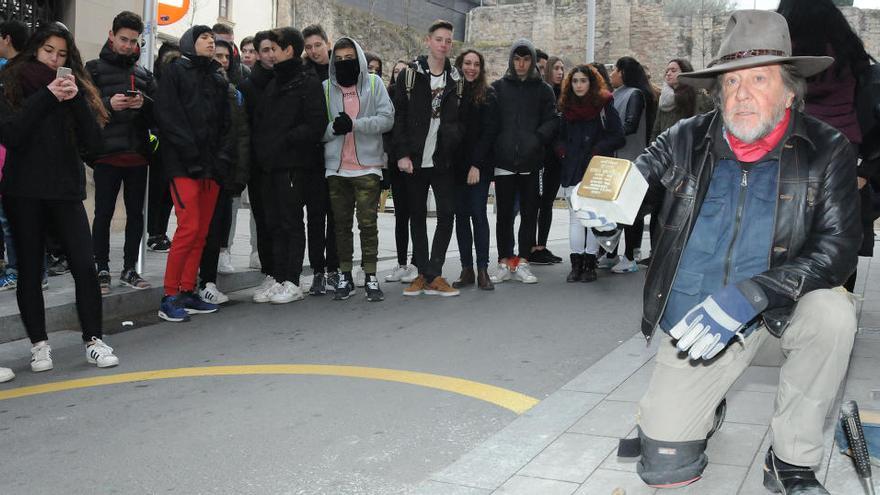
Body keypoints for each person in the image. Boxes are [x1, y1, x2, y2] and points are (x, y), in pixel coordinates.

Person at [580, 11, 858, 494]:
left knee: (834, 313)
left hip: (778, 313)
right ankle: (703, 408)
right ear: (717, 90)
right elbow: (641, 176)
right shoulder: (684, 137)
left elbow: (838, 249)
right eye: (731, 82)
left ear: (790, 91)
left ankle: (791, 459)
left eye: (759, 78)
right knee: (665, 467)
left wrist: (752, 295)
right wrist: (609, 209)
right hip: (698, 324)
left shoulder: (827, 149)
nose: (742, 93)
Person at [0, 23, 119, 372]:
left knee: (85, 265)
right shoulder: (13, 82)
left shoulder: (75, 86)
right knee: (30, 270)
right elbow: (12, 133)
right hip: (24, 191)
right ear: (36, 48)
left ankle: (94, 340)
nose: (54, 59)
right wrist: (48, 96)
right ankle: (39, 345)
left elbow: (95, 146)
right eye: (49, 50)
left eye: (62, 54)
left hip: (66, 191)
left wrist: (77, 100)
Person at [778, 0, 874, 293]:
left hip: (790, 154)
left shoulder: (782, 52)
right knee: (839, 241)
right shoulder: (849, 52)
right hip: (846, 159)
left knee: (786, 240)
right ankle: (836, 307)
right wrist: (866, 170)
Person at [155, 25, 229, 322]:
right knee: (188, 228)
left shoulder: (216, 77)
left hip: (211, 167)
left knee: (201, 231)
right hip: (183, 164)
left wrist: (222, 157)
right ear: (189, 42)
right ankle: (169, 295)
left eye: (213, 38)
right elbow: (168, 117)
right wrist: (191, 155)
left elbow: (226, 123)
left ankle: (188, 290)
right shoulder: (175, 72)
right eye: (204, 38)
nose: (211, 42)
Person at [251, 26, 326, 304]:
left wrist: (285, 140)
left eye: (275, 48)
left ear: (288, 50)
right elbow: (263, 122)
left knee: (291, 222)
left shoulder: (306, 81)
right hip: (270, 165)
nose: (271, 54)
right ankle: (279, 276)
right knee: (274, 224)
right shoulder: (275, 82)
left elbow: (316, 123)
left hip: (293, 164)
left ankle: (293, 281)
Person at [392, 19, 463, 297]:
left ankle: (434, 271)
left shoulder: (455, 79)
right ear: (428, 41)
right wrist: (401, 154)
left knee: (447, 214)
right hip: (415, 159)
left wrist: (454, 138)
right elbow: (399, 118)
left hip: (443, 159)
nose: (444, 45)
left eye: (448, 40)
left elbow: (461, 118)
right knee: (417, 216)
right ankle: (424, 273)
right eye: (439, 39)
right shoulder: (410, 75)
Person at [86, 11, 155, 295]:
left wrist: (143, 104)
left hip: (137, 154)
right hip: (105, 155)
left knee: (136, 215)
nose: (128, 45)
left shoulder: (143, 75)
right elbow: (81, 109)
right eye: (123, 39)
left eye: (133, 41)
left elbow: (158, 113)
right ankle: (100, 267)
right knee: (103, 213)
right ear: (111, 36)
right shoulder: (93, 69)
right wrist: (107, 104)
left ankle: (129, 268)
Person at [321, 37, 393, 302]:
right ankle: (345, 276)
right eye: (338, 59)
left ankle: (371, 275)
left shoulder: (374, 84)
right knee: (340, 226)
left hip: (367, 167)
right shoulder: (326, 88)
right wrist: (332, 129)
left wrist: (355, 124)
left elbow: (387, 119)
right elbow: (318, 128)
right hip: (336, 169)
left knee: (368, 224)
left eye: (349, 57)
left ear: (359, 58)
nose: (344, 63)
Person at [486, 39, 557, 285]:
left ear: (533, 61)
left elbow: (552, 121)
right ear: (511, 60)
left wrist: (536, 140)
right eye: (517, 59)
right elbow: (490, 124)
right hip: (504, 162)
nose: (521, 64)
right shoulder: (497, 88)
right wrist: (496, 147)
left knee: (529, 213)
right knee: (504, 215)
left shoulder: (544, 90)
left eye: (526, 59)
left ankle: (524, 261)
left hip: (532, 163)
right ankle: (504, 261)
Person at [554, 65, 624, 282]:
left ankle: (590, 264)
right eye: (574, 81)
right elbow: (559, 136)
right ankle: (576, 265)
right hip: (572, 167)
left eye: (583, 80)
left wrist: (597, 149)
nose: (578, 85)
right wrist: (562, 151)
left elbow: (618, 136)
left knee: (594, 218)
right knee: (575, 219)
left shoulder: (604, 105)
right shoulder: (566, 106)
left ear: (591, 83)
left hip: (595, 169)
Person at [196, 39, 250, 305]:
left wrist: (237, 173)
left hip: (223, 170)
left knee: (216, 229)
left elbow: (239, 135)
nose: (222, 60)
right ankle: (192, 282)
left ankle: (207, 282)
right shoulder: (196, 84)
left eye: (226, 56)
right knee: (197, 230)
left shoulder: (234, 91)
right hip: (198, 170)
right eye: (216, 55)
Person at [607, 56, 656, 273]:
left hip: (631, 159)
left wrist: (607, 136)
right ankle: (610, 253)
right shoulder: (616, 94)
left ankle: (629, 257)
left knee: (630, 211)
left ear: (623, 72)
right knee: (614, 210)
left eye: (614, 70)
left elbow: (631, 125)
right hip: (616, 159)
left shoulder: (635, 95)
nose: (612, 75)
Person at [300, 23, 340, 296]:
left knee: (337, 215)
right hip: (313, 156)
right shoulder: (303, 74)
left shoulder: (341, 70)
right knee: (315, 216)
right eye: (309, 47)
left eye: (318, 45)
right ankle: (317, 271)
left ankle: (335, 270)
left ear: (328, 43)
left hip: (339, 153)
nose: (314, 51)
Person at [452, 49, 496, 290]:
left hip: (478, 166)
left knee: (478, 215)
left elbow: (489, 134)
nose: (471, 68)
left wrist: (476, 165)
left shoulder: (488, 95)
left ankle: (482, 269)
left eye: (476, 64)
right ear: (460, 65)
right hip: (455, 167)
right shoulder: (453, 92)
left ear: (481, 68)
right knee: (461, 217)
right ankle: (466, 268)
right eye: (467, 63)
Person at [239, 30, 276, 296]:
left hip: (286, 163)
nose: (270, 55)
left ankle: (288, 272)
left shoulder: (292, 80)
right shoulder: (248, 86)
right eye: (265, 50)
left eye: (274, 48)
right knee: (263, 219)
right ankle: (270, 272)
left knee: (285, 219)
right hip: (258, 164)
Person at [384, 59, 418, 284]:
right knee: (400, 216)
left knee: (416, 214)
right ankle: (401, 262)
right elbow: (388, 130)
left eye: (403, 71)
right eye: (396, 71)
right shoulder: (388, 97)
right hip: (396, 162)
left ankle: (416, 262)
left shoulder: (416, 97)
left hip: (414, 163)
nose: (399, 74)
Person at [0, 19, 28, 292]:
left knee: (12, 219)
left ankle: (21, 270)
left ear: (7, 38)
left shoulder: (17, 72)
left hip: (14, 153)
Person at [530, 55, 566, 265]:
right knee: (537, 203)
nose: (560, 72)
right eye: (557, 68)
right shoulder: (544, 93)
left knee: (548, 203)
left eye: (563, 68)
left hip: (556, 158)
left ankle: (541, 245)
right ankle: (532, 246)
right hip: (542, 155)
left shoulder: (565, 95)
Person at [145, 41, 179, 254]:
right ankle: (154, 233)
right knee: (157, 193)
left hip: (172, 145)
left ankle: (160, 232)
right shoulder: (155, 81)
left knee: (167, 194)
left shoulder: (177, 81)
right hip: (158, 146)